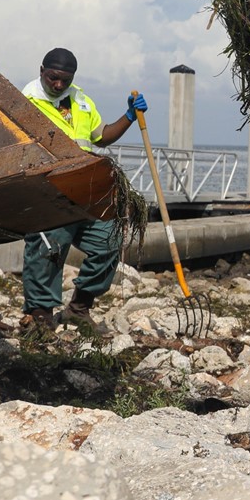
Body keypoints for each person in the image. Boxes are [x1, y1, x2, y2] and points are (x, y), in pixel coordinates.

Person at [19, 47, 147, 336]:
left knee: (110, 241)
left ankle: (78, 309)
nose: (59, 84)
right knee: (47, 250)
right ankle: (40, 318)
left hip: (84, 196)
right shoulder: (24, 103)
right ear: (41, 71)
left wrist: (128, 116)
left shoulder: (81, 100)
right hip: (48, 195)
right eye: (53, 77)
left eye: (65, 79)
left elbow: (102, 137)